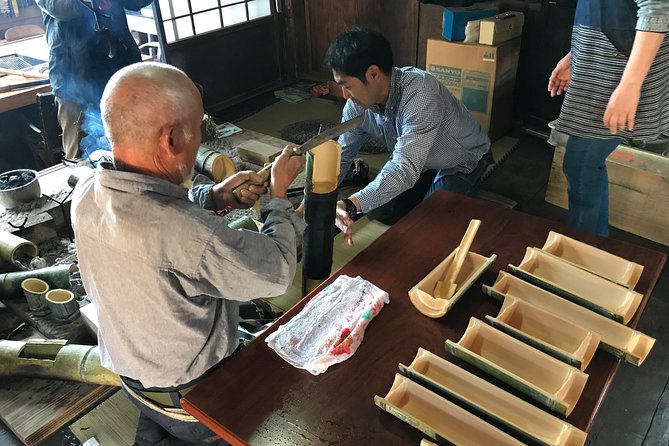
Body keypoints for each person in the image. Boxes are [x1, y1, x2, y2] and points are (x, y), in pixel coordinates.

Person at [71, 62, 306, 445]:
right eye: (199, 127)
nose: (201, 136)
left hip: (132, 381)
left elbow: (153, 204)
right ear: (172, 140)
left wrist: (213, 196)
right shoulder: (188, 236)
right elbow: (277, 272)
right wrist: (279, 198)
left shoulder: (85, 192)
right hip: (193, 398)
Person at [325, 27, 492, 245]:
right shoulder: (356, 106)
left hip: (461, 160)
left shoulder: (421, 95)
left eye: (347, 86)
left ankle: (438, 197)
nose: (345, 95)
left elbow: (403, 168)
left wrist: (350, 204)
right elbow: (343, 154)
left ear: (373, 73)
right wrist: (317, 196)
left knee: (426, 229)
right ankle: (425, 193)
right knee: (379, 211)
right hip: (420, 161)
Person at [548, 0, 668, 236]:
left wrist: (630, 85)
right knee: (583, 163)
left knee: (581, 163)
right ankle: (592, 240)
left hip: (620, 68)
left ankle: (585, 246)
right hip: (606, 59)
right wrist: (575, 55)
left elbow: (657, 9)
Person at [36, 0, 153, 160]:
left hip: (119, 66)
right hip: (74, 76)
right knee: (81, 159)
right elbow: (59, 7)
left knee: (137, 144)